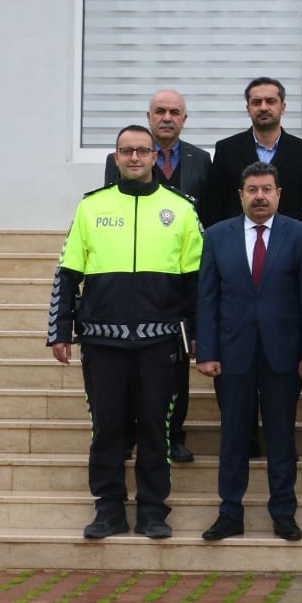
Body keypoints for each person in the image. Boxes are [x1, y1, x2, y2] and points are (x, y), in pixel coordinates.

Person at [47, 125, 201, 541]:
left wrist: (199, 334)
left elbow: (197, 283)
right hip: (102, 341)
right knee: (107, 428)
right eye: (126, 151)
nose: (134, 157)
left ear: (155, 157)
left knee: (155, 428)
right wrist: (59, 329)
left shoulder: (181, 208)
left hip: (160, 342)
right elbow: (67, 273)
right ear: (116, 158)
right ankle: (109, 508)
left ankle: (153, 511)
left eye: (142, 151)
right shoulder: (91, 207)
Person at [196, 162, 302, 543]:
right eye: (252, 190)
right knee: (233, 437)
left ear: (279, 194)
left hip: (283, 354)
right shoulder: (216, 236)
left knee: (281, 438)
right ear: (240, 195)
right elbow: (207, 298)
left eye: (267, 189)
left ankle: (283, 512)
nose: (260, 197)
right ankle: (229, 512)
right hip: (232, 354)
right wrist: (206, 351)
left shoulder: (300, 235)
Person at [103, 87, 210, 464]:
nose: (167, 117)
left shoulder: (201, 159)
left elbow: (207, 217)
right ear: (149, 117)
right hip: (133, 274)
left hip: (177, 275)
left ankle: (173, 435)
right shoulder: (120, 159)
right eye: (160, 111)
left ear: (184, 119)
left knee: (175, 366)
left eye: (174, 112)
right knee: (129, 371)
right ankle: (129, 435)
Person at [204, 77, 302, 233]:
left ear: (283, 107)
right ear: (248, 109)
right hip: (238, 244)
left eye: (270, 101)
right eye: (256, 102)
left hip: (290, 245)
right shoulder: (226, 150)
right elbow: (214, 211)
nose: (263, 107)